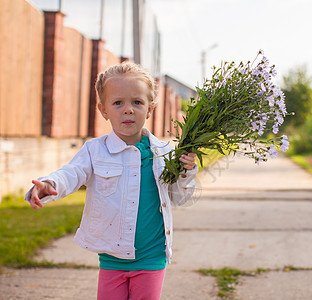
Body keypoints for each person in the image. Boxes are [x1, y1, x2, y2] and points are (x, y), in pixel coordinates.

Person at [24, 62, 198, 300]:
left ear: (150, 109)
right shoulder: (95, 151)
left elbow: (179, 197)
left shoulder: (164, 152)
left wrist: (187, 171)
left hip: (152, 257)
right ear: (103, 109)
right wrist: (50, 184)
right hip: (112, 257)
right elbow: (72, 173)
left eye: (137, 102)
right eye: (118, 103)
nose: (128, 110)